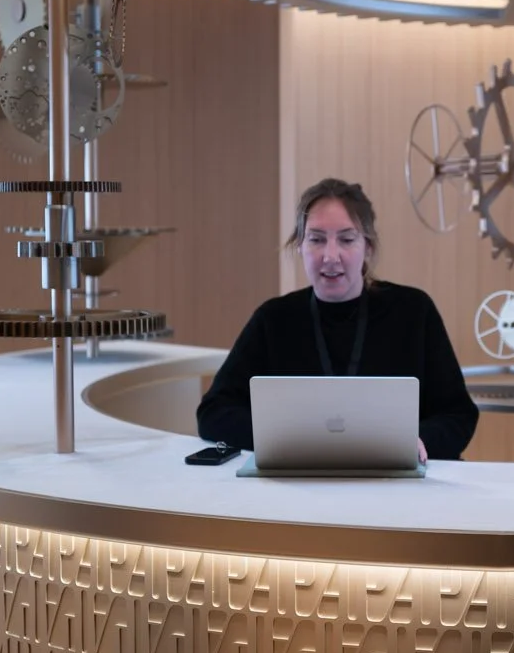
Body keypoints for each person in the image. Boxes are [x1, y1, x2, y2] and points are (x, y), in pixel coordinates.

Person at [198, 178, 479, 460]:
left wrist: (420, 441)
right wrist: (282, 438)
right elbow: (213, 412)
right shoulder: (274, 319)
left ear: (368, 247)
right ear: (299, 246)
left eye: (346, 239)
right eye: (317, 239)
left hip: (396, 482)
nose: (331, 256)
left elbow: (458, 414)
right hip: (299, 483)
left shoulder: (414, 311)